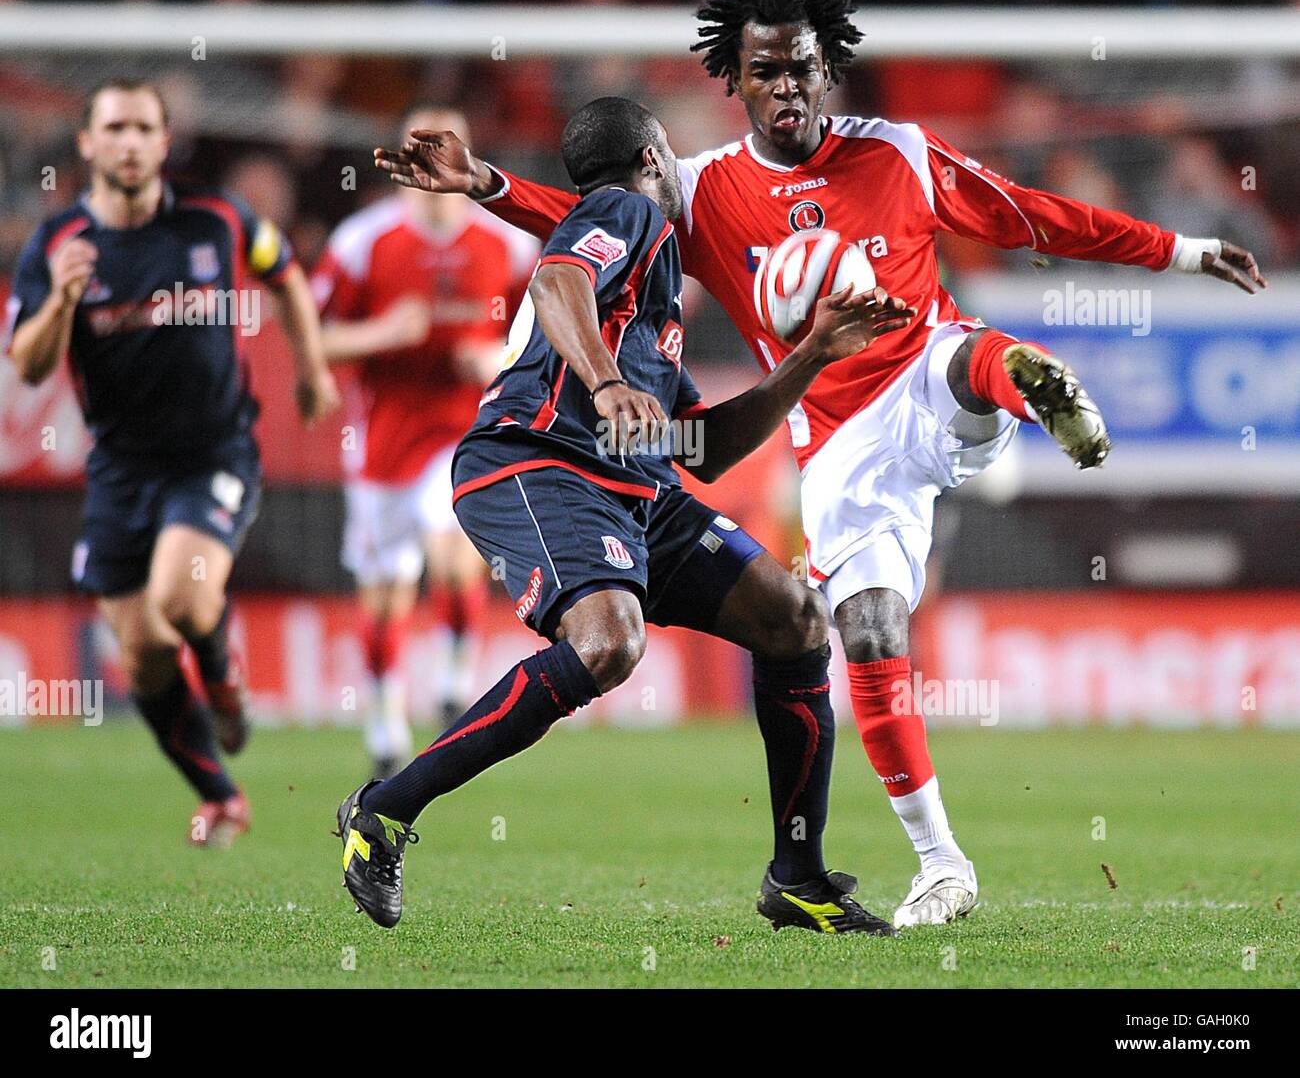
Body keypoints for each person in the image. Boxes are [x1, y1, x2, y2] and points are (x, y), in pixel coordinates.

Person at [374, 0, 1266, 927]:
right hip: (831, 441)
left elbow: (1028, 217)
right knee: (849, 631)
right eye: (766, 71)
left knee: (953, 368)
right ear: (738, 81)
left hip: (920, 366)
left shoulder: (899, 153)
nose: (787, 85)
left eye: (802, 66)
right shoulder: (696, 194)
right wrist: (493, 188)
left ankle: (1020, 384)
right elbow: (585, 229)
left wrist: (1173, 249)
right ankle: (932, 865)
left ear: (827, 67)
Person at [341, 96, 915, 932]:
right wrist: (606, 383)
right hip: (534, 461)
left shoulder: (655, 296)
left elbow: (704, 450)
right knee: (609, 642)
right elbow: (556, 277)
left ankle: (797, 878)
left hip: (637, 485)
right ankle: (383, 812)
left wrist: (812, 355)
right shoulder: (630, 213)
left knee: (794, 619)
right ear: (655, 157)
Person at [5, 79, 340, 846]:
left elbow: (283, 269)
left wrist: (312, 367)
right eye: (113, 127)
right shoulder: (57, 247)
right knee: (145, 655)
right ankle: (222, 795)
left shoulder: (217, 219)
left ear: (163, 142)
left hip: (214, 451)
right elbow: (27, 366)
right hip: (120, 470)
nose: (129, 141)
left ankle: (223, 683)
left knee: (182, 601)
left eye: (143, 127)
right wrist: (60, 302)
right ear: (88, 143)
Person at [314, 106, 538, 776]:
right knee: (385, 589)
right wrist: (383, 333)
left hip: (466, 430)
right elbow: (313, 338)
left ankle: (450, 685)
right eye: (422, 143)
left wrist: (497, 356)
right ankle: (384, 717)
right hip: (385, 436)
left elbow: (542, 334)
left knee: (453, 545)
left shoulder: (509, 242)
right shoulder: (362, 242)